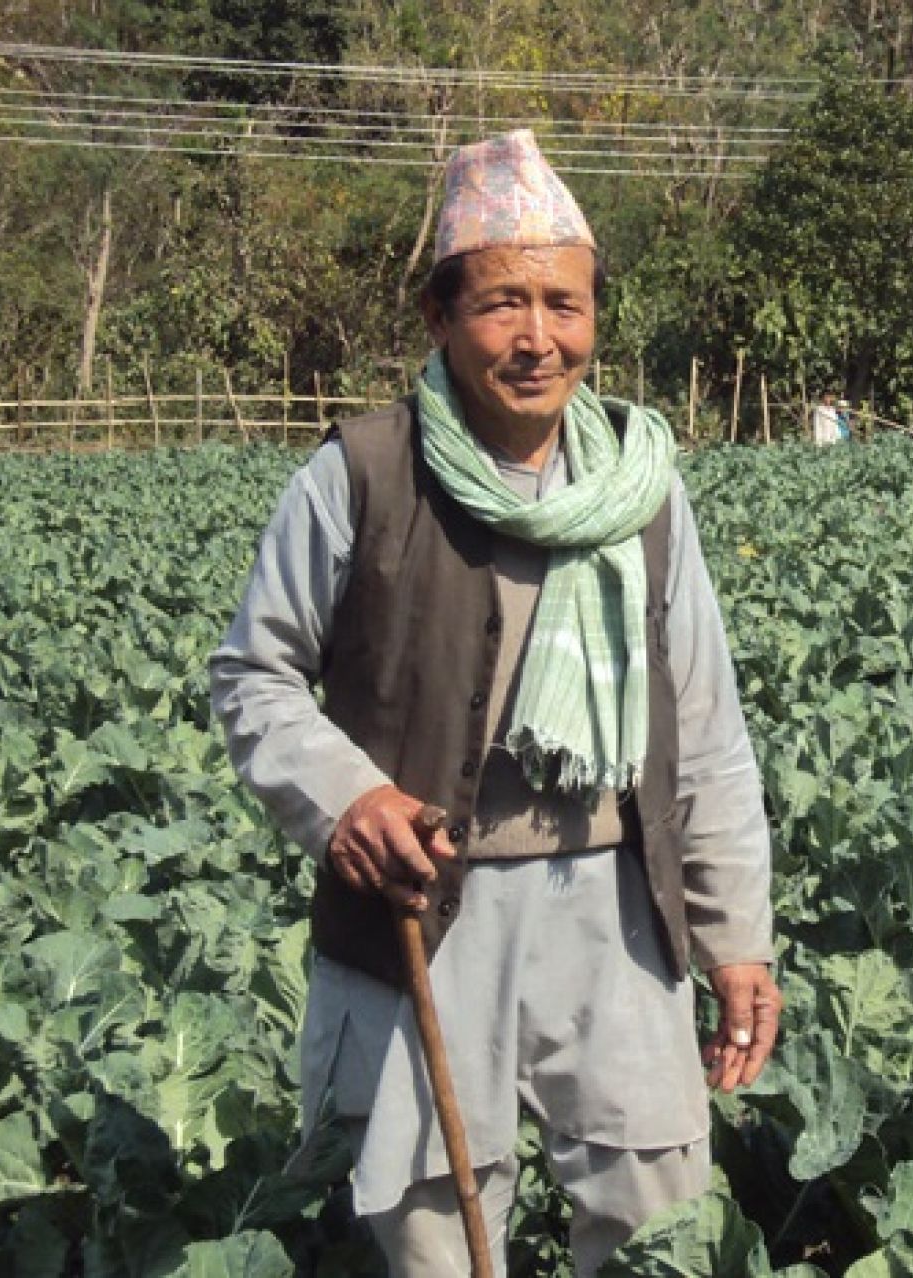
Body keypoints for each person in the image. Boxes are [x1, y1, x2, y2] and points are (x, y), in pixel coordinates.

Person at [210, 129, 778, 1277]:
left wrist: (735, 939)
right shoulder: (364, 475)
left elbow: (706, 731)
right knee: (430, 1229)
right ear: (438, 318)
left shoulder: (642, 489)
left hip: (616, 909)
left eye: (564, 306)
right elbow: (253, 675)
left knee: (657, 1215)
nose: (537, 339)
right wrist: (350, 799)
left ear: (595, 318)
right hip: (429, 912)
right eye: (502, 305)